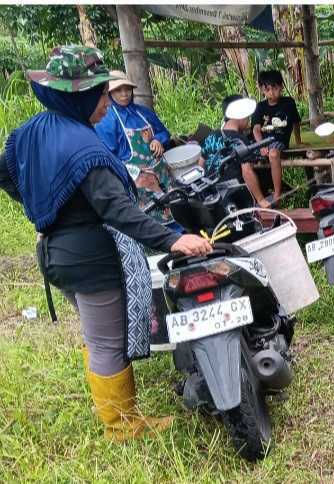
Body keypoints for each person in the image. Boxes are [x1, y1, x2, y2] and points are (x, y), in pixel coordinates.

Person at [0, 45, 213, 442]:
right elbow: (118, 211)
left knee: (95, 333)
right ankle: (121, 424)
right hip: (89, 259)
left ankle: (112, 411)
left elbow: (7, 172)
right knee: (106, 341)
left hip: (55, 256)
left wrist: (41, 209)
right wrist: (173, 239)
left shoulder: (31, 131)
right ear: (78, 96)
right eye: (99, 94)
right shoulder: (82, 146)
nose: (105, 102)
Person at [94, 70, 179, 231]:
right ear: (110, 94)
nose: (124, 94)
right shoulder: (107, 121)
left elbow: (164, 133)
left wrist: (158, 140)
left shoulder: (143, 113)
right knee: (146, 225)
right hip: (135, 184)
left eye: (127, 89)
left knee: (175, 212)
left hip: (161, 177)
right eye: (118, 90)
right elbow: (107, 157)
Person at [251, 69, 303, 208]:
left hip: (279, 140)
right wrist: (261, 145)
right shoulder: (260, 106)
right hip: (261, 141)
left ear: (281, 86)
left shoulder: (288, 102)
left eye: (275, 88)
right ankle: (257, 198)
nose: (272, 93)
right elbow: (256, 129)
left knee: (274, 154)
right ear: (262, 90)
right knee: (246, 161)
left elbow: (295, 122)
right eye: (268, 89)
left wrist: (298, 141)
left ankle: (277, 195)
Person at [199, 94, 250, 184]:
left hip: (212, 191)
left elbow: (200, 166)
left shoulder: (211, 136)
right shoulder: (240, 141)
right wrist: (260, 198)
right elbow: (247, 174)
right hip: (233, 191)